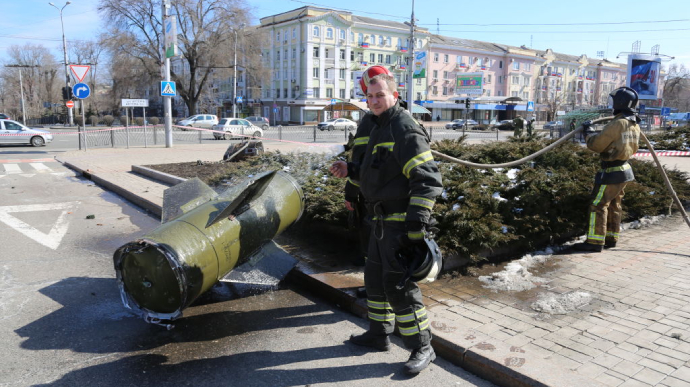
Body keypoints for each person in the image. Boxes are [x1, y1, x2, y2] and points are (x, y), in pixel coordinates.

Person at [329, 67, 443, 375]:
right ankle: (379, 334)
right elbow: (377, 170)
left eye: (381, 95)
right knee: (375, 283)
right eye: (370, 96)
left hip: (398, 224)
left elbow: (428, 181)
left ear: (395, 95)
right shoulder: (377, 125)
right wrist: (349, 170)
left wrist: (416, 226)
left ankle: (422, 346)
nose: (375, 100)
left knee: (398, 287)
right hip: (378, 222)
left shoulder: (403, 128)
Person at [573, 87, 641, 253]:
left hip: (612, 172)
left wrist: (588, 132)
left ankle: (595, 242)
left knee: (598, 204)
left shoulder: (618, 123)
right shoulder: (633, 124)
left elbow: (597, 145)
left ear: (619, 102)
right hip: (624, 170)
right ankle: (611, 238)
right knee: (614, 205)